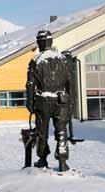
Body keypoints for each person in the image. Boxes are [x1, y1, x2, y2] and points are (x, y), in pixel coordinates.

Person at [26, 30, 73, 172]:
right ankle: (63, 161)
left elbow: (31, 84)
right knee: (61, 131)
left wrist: (29, 102)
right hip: (61, 101)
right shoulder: (63, 59)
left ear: (40, 42)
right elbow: (70, 83)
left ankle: (42, 159)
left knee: (42, 132)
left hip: (43, 101)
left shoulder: (36, 60)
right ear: (51, 42)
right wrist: (70, 102)